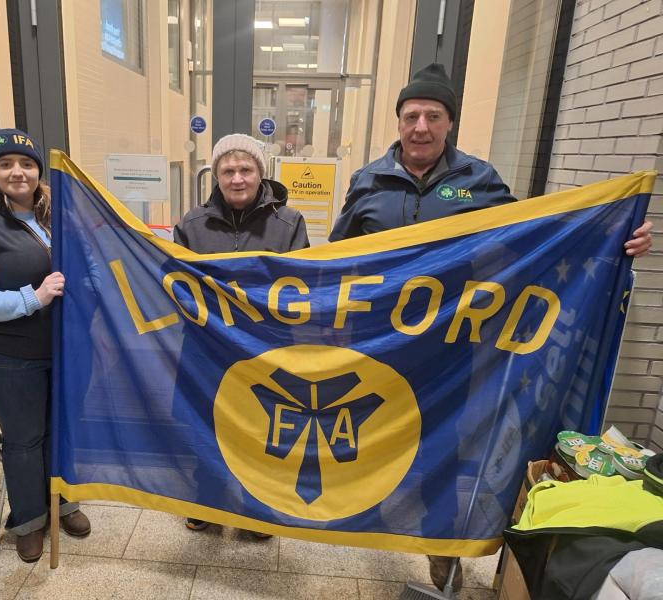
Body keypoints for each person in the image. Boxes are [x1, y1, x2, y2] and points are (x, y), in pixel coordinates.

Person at [329, 64, 653, 592]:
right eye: (411, 115)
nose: (420, 127)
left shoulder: (479, 181)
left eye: (433, 116)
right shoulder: (368, 181)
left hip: (455, 348)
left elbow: (538, 240)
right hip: (385, 344)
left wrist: (617, 236)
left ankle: (441, 552)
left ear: (449, 123)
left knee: (446, 446)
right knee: (371, 434)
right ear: (398, 122)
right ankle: (365, 515)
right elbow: (341, 255)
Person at [0, 128, 91, 563]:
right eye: (6, 164)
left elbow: (85, 269)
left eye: (26, 164)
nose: (18, 172)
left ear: (38, 171)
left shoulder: (56, 220)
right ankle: (28, 519)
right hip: (12, 358)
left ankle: (62, 503)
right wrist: (35, 297)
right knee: (25, 440)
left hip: (65, 353)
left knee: (61, 432)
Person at [173, 133, 309, 534]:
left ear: (260, 173)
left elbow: (302, 291)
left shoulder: (289, 224)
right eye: (227, 171)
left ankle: (258, 507)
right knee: (206, 425)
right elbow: (176, 284)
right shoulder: (192, 225)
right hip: (206, 348)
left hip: (266, 349)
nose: (237, 179)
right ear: (215, 175)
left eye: (245, 169)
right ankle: (208, 501)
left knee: (261, 429)